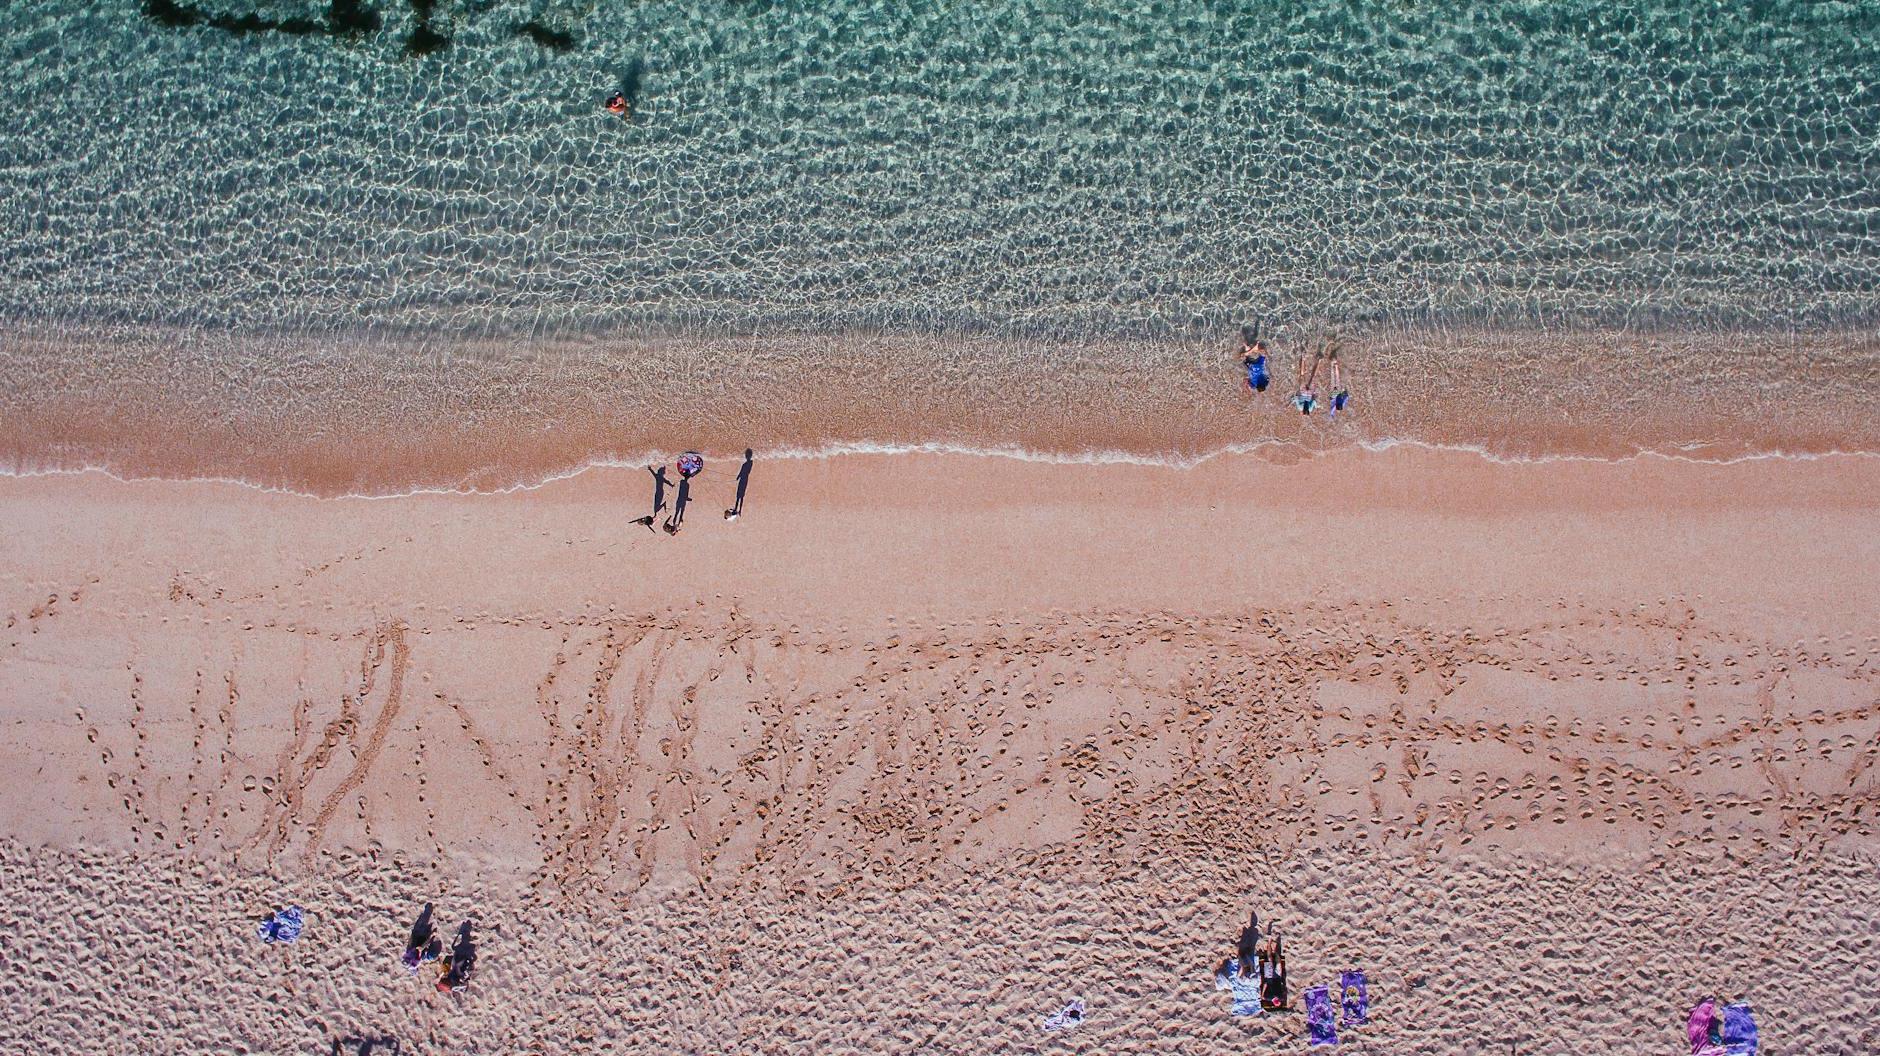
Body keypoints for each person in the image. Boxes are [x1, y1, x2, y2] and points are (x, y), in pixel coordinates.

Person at [632, 465, 670, 531]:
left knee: (659, 480)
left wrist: (666, 509)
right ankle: (654, 519)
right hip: (657, 494)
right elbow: (656, 476)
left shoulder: (656, 511)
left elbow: (664, 503)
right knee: (658, 480)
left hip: (660, 493)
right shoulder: (655, 510)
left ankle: (655, 519)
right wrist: (650, 469)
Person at [1258, 930, 1289, 1012]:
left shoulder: (1269, 998)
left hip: (1269, 977)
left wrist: (1262, 993)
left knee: (1269, 959)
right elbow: (1284, 991)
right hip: (1278, 977)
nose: (1277, 999)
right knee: (1278, 962)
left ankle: (1269, 942)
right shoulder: (1280, 997)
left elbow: (1264, 990)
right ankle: (1275, 949)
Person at [1239, 323, 1270, 393]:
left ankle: (1252, 349)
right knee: (1243, 356)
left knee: (1262, 352)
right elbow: (1245, 380)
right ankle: (1250, 349)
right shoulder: (1254, 385)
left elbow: (1267, 375)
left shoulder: (1264, 382)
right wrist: (1246, 384)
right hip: (1252, 365)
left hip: (1258, 364)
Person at [725, 448, 753, 521]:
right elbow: (742, 471)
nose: (746, 456)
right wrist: (738, 477)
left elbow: (742, 471)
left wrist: (739, 476)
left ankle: (738, 509)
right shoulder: (750, 463)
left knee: (740, 496)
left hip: (743, 480)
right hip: (744, 479)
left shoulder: (747, 463)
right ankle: (738, 509)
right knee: (739, 496)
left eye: (746, 455)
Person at [1326, 338, 1351, 418]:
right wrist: (1331, 415)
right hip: (1333, 395)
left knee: (1336, 378)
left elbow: (1346, 397)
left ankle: (1335, 365)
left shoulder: (1341, 405)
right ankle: (1333, 364)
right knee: (1333, 378)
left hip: (1336, 394)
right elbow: (1332, 410)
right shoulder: (1336, 407)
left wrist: (1345, 392)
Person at [1292, 346, 1321, 415]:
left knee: (1314, 376)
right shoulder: (1300, 408)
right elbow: (1296, 398)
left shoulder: (1310, 409)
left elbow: (1313, 401)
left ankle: (1319, 361)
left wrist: (1316, 406)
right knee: (1302, 375)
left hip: (1310, 394)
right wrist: (1293, 400)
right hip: (1303, 392)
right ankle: (1303, 357)